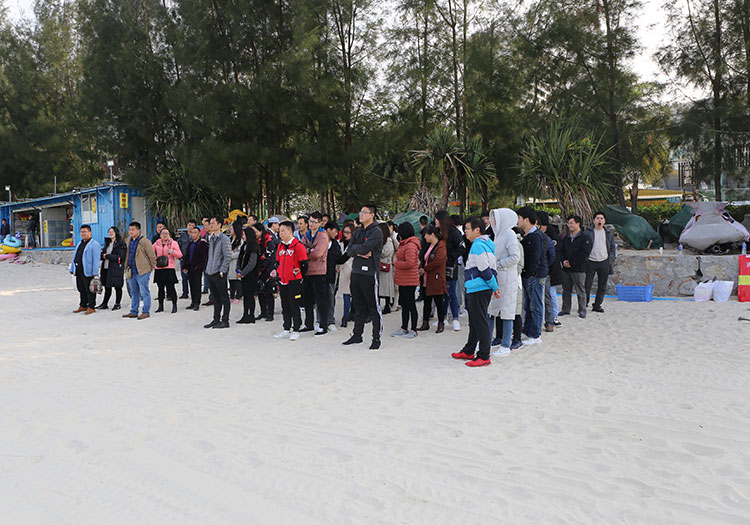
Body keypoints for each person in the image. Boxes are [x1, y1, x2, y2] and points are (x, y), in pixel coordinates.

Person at [451, 217, 499, 367]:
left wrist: (495, 286)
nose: (465, 232)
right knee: (475, 321)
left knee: (480, 321)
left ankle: (484, 355)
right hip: (477, 287)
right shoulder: (484, 243)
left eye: (467, 229)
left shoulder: (478, 245)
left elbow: (485, 269)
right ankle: (469, 350)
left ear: (477, 230)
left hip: (479, 287)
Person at [342, 204, 384, 350]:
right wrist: (360, 251)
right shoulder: (358, 231)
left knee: (373, 307)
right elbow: (349, 250)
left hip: (370, 273)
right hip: (356, 272)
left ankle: (376, 338)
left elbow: (365, 248)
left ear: (372, 215)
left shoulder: (376, 232)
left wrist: (358, 250)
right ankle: (357, 335)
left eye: (364, 212)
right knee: (359, 306)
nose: (361, 215)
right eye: (360, 212)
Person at [488, 208, 521, 356]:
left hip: (508, 278)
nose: (494, 222)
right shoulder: (498, 235)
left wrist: (499, 264)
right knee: (492, 310)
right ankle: (487, 340)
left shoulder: (509, 234)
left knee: (507, 312)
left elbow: (515, 257)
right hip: (497, 278)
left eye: (496, 218)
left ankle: (506, 345)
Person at [517, 207, 547, 345]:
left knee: (535, 305)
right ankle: (528, 331)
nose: (517, 221)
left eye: (519, 218)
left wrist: (529, 273)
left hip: (535, 276)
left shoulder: (536, 236)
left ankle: (535, 335)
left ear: (526, 219)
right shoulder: (527, 236)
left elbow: (536, 258)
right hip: (528, 275)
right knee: (528, 305)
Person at [275, 220, 308, 340]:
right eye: (279, 231)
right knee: (285, 305)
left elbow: (304, 264)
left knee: (294, 305)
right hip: (283, 280)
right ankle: (286, 328)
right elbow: (278, 262)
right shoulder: (280, 246)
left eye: (283, 231)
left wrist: (299, 277)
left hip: (294, 280)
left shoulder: (298, 246)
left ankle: (296, 329)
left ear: (290, 231)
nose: (281, 233)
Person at [300, 212, 330, 335]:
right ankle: (308, 324)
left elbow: (318, 253)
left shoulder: (323, 235)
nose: (311, 224)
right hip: (307, 271)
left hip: (319, 272)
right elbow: (301, 249)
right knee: (307, 300)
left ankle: (323, 325)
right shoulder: (306, 234)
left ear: (320, 223)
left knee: (321, 300)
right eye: (310, 221)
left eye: (314, 222)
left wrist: (307, 251)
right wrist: (310, 250)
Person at [584, 211, 617, 313]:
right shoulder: (587, 232)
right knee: (587, 284)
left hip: (604, 261)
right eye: (597, 218)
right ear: (594, 220)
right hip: (590, 261)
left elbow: (612, 247)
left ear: (604, 221)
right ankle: (584, 303)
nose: (599, 220)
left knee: (602, 285)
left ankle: (597, 305)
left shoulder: (608, 233)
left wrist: (610, 259)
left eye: (601, 218)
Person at [122, 221, 156, 320]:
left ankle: (146, 312)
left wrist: (150, 269)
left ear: (138, 230)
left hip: (142, 271)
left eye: (133, 229)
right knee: (134, 293)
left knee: (144, 292)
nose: (131, 231)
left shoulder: (145, 241)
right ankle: (134, 311)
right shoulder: (128, 241)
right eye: (129, 229)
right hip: (131, 271)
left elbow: (152, 256)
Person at [435, 210, 463, 331]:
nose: (435, 222)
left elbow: (461, 248)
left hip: (451, 267)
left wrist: (449, 256)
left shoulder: (454, 232)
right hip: (440, 267)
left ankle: (455, 319)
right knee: (442, 293)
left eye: (437, 219)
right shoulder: (438, 232)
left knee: (452, 293)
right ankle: (444, 318)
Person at [560, 215, 592, 319]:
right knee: (566, 290)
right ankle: (566, 309)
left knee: (580, 290)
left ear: (578, 224)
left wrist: (572, 263)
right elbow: (561, 251)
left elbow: (584, 254)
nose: (569, 225)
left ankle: (582, 310)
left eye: (571, 223)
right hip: (566, 269)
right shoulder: (566, 238)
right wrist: (563, 261)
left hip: (579, 269)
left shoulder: (585, 238)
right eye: (568, 223)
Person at [417, 225, 447, 333]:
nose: (424, 237)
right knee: (427, 301)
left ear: (432, 235)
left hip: (436, 278)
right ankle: (425, 323)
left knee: (439, 302)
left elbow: (437, 261)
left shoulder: (441, 247)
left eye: (426, 235)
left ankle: (441, 323)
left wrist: (425, 269)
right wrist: (421, 267)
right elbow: (424, 258)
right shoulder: (428, 246)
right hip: (427, 278)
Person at [204, 216, 232, 329]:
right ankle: (216, 319)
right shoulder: (211, 238)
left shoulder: (224, 239)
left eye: (213, 223)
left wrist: (222, 270)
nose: (210, 225)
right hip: (210, 272)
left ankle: (225, 320)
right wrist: (207, 269)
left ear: (219, 225)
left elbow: (228, 256)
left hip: (219, 272)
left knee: (224, 297)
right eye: (210, 223)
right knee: (215, 298)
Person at [537, 211, 563, 333]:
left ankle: (552, 319)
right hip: (544, 270)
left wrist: (545, 266)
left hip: (550, 270)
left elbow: (552, 254)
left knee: (550, 294)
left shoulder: (550, 236)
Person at [69, 224, 101, 314]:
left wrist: (95, 272)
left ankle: (91, 306)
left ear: (90, 232)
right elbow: (75, 256)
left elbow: (96, 260)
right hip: (79, 270)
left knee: (90, 289)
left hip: (88, 271)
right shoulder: (80, 243)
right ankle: (83, 305)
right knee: (81, 288)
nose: (83, 234)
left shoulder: (95, 244)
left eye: (85, 232)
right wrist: (72, 268)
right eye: (81, 232)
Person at [152, 227, 183, 314]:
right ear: (160, 235)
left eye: (166, 233)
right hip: (159, 268)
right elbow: (150, 251)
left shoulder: (173, 243)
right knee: (160, 288)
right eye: (163, 233)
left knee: (171, 288)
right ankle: (160, 306)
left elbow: (180, 255)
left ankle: (174, 305)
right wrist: (153, 260)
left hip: (169, 268)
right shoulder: (157, 243)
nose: (165, 235)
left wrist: (172, 252)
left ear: (169, 235)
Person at [253, 222, 278, 321]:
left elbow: (270, 257)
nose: (254, 234)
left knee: (269, 292)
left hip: (269, 269)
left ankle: (270, 314)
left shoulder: (269, 240)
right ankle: (263, 312)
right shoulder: (256, 241)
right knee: (260, 291)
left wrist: (263, 269)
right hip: (259, 269)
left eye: (255, 232)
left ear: (261, 231)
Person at [97, 226, 126, 310]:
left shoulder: (121, 244)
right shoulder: (108, 243)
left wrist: (107, 256)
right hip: (106, 267)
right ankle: (104, 304)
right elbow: (102, 254)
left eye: (112, 231)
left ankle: (117, 303)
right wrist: (102, 256)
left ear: (116, 233)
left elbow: (120, 257)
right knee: (107, 286)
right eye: (109, 232)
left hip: (116, 268)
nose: (110, 233)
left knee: (117, 287)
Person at [236, 226, 260, 323]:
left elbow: (252, 263)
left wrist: (243, 273)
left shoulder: (254, 247)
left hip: (251, 275)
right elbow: (239, 259)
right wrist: (238, 270)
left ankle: (251, 315)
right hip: (244, 275)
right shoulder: (244, 246)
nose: (243, 236)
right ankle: (245, 314)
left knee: (250, 295)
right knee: (245, 295)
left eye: (244, 234)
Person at [182, 226, 209, 311]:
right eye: (192, 233)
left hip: (197, 268)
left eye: (195, 233)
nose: (193, 234)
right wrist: (185, 266)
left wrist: (200, 266)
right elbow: (187, 255)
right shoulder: (190, 243)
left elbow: (203, 257)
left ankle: (197, 303)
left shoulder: (202, 243)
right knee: (191, 285)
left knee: (197, 286)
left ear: (199, 233)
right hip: (190, 267)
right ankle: (193, 302)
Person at [324, 221, 342, 332]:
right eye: (335, 231)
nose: (336, 234)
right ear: (328, 230)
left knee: (331, 299)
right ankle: (320, 321)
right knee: (320, 300)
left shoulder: (336, 245)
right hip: (318, 274)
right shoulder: (319, 241)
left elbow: (339, 259)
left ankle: (330, 321)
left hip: (330, 275)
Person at [337, 224, 354, 328]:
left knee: (350, 295)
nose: (346, 234)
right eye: (344, 232)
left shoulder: (355, 245)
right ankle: (346, 316)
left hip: (350, 271)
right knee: (345, 295)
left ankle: (347, 316)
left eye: (348, 232)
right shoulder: (339, 243)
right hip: (340, 271)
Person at [378, 222, 396, 314]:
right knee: (380, 288)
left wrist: (378, 249)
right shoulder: (382, 240)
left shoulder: (388, 241)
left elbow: (385, 253)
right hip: (381, 267)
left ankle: (387, 306)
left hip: (386, 267)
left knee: (386, 288)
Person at [178, 219, 197, 299]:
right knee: (184, 277)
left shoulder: (197, 236)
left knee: (193, 277)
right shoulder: (183, 236)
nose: (191, 227)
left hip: (193, 259)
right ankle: (185, 293)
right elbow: (178, 246)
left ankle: (194, 293)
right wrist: (180, 257)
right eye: (189, 225)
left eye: (193, 225)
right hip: (184, 258)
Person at [228, 221, 244, 303]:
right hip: (229, 263)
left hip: (236, 262)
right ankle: (231, 296)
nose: (230, 230)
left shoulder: (240, 241)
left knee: (237, 280)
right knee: (231, 280)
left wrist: (230, 255)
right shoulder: (229, 240)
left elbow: (240, 253)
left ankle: (238, 296)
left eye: (231, 228)